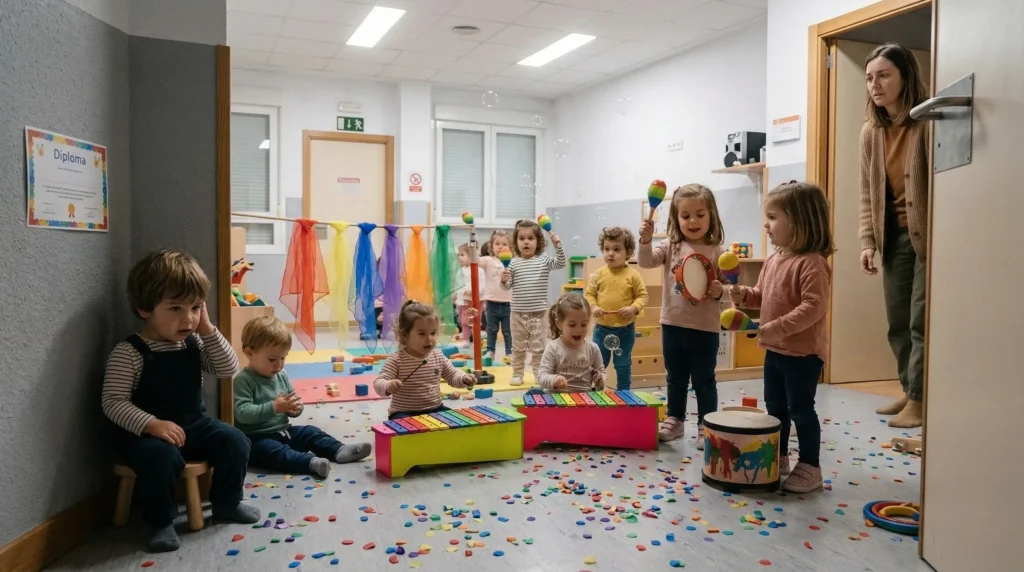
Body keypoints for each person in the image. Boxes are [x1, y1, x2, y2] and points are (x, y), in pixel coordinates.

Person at [101, 250, 259, 553]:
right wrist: (152, 424)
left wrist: (207, 329)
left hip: (193, 426)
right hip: (145, 436)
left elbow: (228, 369)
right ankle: (159, 522)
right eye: (175, 308)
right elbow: (113, 402)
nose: (188, 318)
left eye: (195, 307)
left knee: (234, 440)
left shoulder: (193, 342)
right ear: (144, 309)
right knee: (160, 458)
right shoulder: (129, 352)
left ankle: (227, 503)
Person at [730, 181, 834, 493]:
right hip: (774, 350)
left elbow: (813, 307)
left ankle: (811, 467)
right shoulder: (773, 259)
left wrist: (777, 327)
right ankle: (780, 455)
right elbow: (762, 295)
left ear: (799, 222)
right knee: (775, 408)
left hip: (803, 354)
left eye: (773, 217)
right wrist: (743, 294)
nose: (766, 224)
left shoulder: (812, 263)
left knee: (801, 409)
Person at [859, 43, 929, 429]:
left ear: (905, 77)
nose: (875, 84)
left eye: (884, 75)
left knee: (920, 321)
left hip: (927, 239)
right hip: (893, 238)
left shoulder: (927, 122)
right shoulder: (871, 132)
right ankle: (909, 389)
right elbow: (867, 193)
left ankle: (919, 399)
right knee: (897, 322)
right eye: (870, 77)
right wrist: (868, 241)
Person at [639, 184, 727, 445]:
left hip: (705, 327)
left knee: (704, 380)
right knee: (675, 378)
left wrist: (721, 291)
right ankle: (675, 419)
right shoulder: (670, 246)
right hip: (673, 324)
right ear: (676, 218)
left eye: (700, 214)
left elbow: (730, 289)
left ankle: (706, 425)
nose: (693, 221)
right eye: (685, 215)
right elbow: (646, 262)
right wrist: (645, 241)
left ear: (711, 215)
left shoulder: (718, 250)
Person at [233, 316, 371, 479]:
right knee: (272, 451)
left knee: (310, 432)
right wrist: (274, 407)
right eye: (272, 359)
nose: (279, 364)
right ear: (250, 353)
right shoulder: (243, 380)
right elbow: (242, 413)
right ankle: (310, 463)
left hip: (284, 432)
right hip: (257, 439)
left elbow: (294, 401)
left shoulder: (281, 375)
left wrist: (295, 409)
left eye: (283, 358)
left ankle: (338, 450)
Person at [373, 300, 478, 419]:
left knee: (457, 421)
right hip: (404, 412)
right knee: (404, 425)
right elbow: (379, 383)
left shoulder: (438, 356)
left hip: (435, 409)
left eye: (433, 333)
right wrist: (388, 385)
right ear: (405, 336)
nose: (429, 339)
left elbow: (453, 375)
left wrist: (464, 378)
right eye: (422, 334)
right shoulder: (396, 360)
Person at [500, 219, 567, 386]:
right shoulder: (513, 263)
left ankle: (539, 374)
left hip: (539, 312)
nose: (526, 242)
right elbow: (506, 287)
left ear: (538, 241)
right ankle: (517, 374)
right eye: (521, 238)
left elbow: (561, 263)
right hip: (517, 313)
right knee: (518, 347)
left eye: (530, 238)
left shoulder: (543, 260)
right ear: (516, 242)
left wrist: (558, 245)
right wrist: (503, 280)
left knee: (539, 347)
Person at [585, 226, 649, 390]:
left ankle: (624, 392)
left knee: (623, 364)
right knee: (598, 363)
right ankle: (594, 390)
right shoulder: (599, 273)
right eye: (607, 249)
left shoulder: (633, 275)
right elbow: (589, 294)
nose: (610, 253)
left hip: (625, 329)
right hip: (601, 329)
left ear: (628, 253)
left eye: (616, 249)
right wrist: (594, 307)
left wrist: (633, 308)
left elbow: (643, 296)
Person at [533, 293, 606, 394]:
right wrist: (554, 379)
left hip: (584, 399)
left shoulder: (593, 348)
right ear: (559, 324)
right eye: (572, 325)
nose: (579, 329)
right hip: (557, 399)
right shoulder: (553, 348)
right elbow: (541, 376)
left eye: (584, 324)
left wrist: (601, 378)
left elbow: (602, 372)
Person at [481, 230, 514, 360]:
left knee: (508, 330)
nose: (501, 247)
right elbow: (475, 260)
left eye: (504, 244)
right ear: (491, 246)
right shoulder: (488, 260)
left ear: (511, 247)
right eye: (497, 244)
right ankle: (490, 351)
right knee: (491, 329)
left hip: (508, 303)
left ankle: (509, 352)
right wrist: (474, 244)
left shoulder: (513, 262)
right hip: (491, 302)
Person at [454, 242, 487, 350]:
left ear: (471, 256)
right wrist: (457, 295)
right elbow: (458, 285)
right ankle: (466, 340)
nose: (459, 257)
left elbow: (483, 285)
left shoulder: (479, 270)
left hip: (476, 301)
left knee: (475, 321)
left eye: (462, 255)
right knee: (464, 321)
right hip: (463, 301)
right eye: (458, 255)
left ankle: (477, 339)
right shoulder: (460, 270)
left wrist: (474, 292)